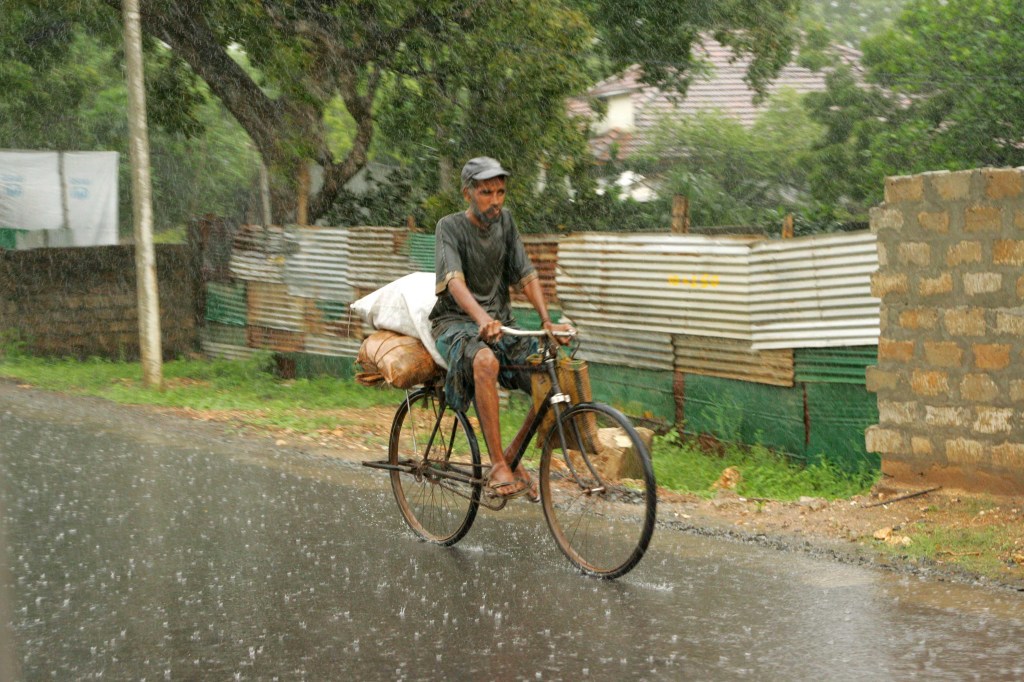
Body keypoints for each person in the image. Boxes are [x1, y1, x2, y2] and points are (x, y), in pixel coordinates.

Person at [429, 157, 572, 500]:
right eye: (486, 192)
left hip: (501, 325)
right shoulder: (449, 227)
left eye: (501, 192)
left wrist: (547, 321)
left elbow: (526, 274)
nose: (495, 200)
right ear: (468, 194)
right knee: (485, 362)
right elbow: (454, 282)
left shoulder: (506, 223)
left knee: (550, 372)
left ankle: (512, 456)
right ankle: (496, 465)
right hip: (456, 325)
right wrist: (481, 319)